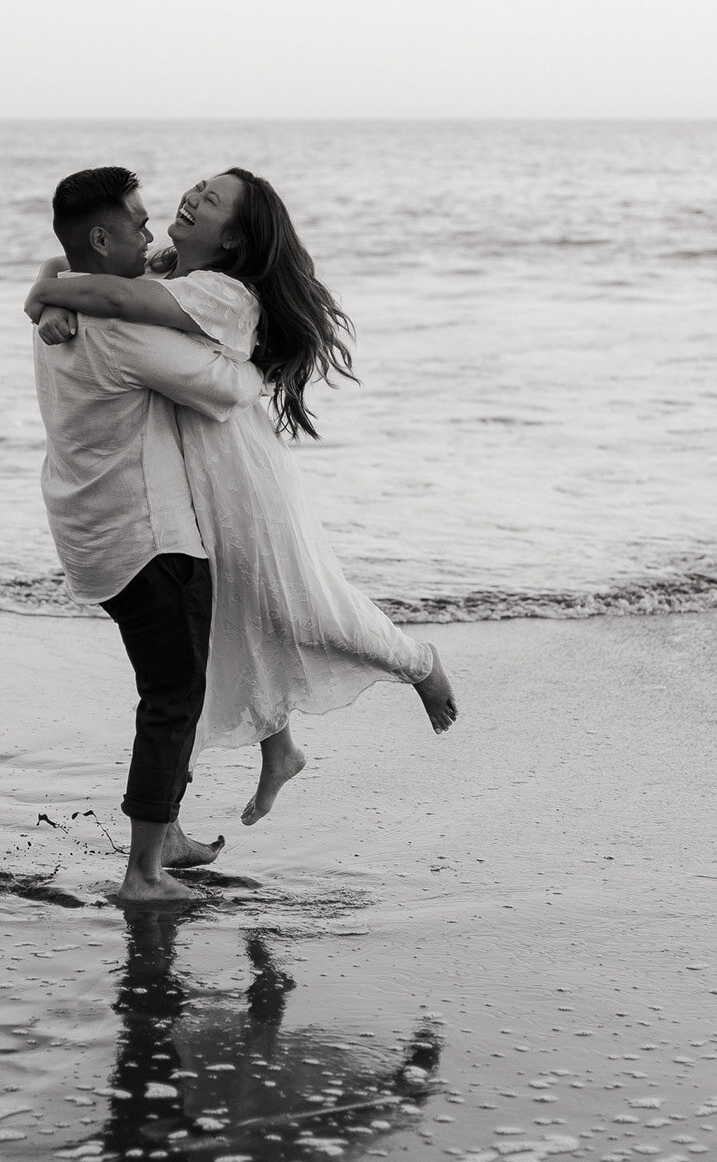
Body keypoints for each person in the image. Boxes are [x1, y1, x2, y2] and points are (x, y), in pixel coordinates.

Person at [26, 168, 458, 829]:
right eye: (198, 187)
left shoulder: (221, 294)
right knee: (232, 610)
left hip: (236, 468)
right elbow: (86, 267)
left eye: (212, 201)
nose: (192, 197)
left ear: (233, 238)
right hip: (188, 472)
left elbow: (112, 300)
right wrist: (52, 293)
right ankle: (277, 748)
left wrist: (49, 297)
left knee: (294, 601)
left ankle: (416, 663)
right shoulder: (166, 265)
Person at [32, 166, 263, 904]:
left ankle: (162, 836)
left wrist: (43, 290)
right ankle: (142, 875)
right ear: (100, 238)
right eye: (135, 222)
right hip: (148, 537)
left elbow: (64, 282)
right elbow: (227, 390)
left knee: (165, 689)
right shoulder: (119, 327)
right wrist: (253, 352)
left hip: (90, 531)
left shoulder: (62, 305)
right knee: (171, 698)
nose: (151, 229)